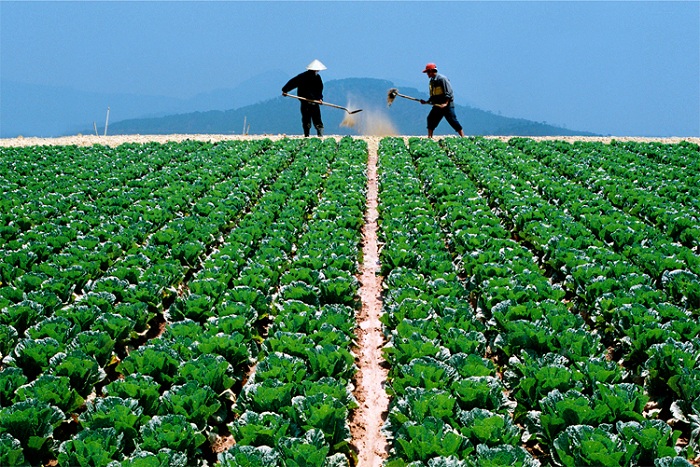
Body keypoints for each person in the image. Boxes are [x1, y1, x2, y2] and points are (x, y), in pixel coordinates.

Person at [419, 63, 465, 138]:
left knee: (452, 120)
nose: (427, 74)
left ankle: (463, 136)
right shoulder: (432, 81)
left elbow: (448, 92)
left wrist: (445, 103)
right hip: (437, 105)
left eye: (427, 72)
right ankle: (429, 137)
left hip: (447, 105)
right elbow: (433, 95)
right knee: (430, 118)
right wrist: (427, 102)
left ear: (431, 71)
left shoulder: (442, 79)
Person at [282, 59, 326, 137]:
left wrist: (320, 98)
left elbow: (320, 89)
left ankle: (320, 135)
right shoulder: (303, 77)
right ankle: (307, 135)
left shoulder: (317, 78)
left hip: (315, 101)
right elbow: (293, 83)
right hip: (305, 101)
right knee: (306, 119)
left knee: (317, 119)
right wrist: (285, 90)